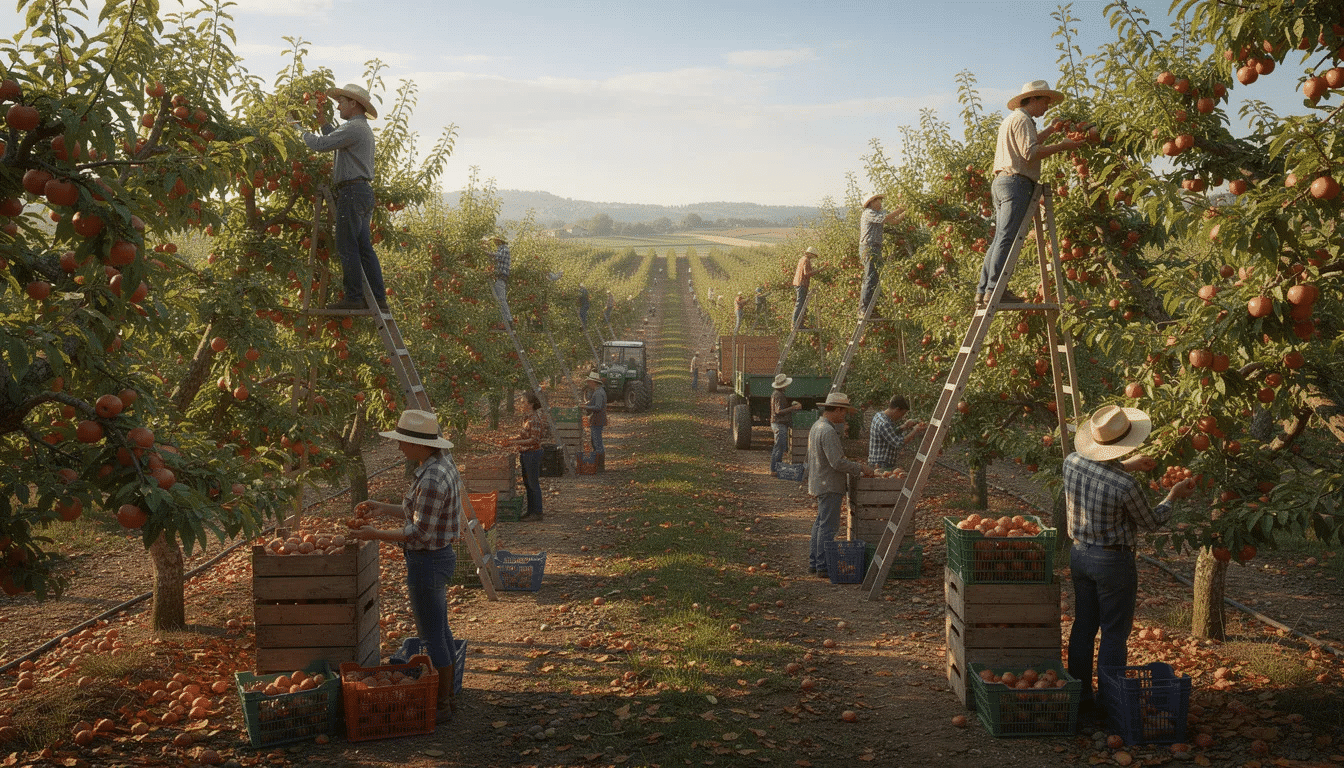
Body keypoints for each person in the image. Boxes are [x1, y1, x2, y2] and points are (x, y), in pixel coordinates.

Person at [1064, 404, 1195, 721]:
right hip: (1112, 563)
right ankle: (1109, 704)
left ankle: (1079, 699)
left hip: (1079, 554)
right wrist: (1172, 496)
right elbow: (1150, 522)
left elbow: (1098, 474)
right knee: (1113, 633)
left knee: (1083, 626)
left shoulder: (1071, 461)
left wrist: (1126, 465)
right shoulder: (1126, 486)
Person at [351, 409, 463, 722]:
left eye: (404, 442)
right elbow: (420, 516)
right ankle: (449, 697)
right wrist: (381, 508)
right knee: (440, 630)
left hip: (427, 562)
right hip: (438, 558)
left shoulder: (430, 479)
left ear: (419, 445)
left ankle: (441, 705)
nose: (400, 448)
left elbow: (419, 532)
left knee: (431, 636)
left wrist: (374, 534)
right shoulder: (441, 465)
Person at [975, 80, 1084, 308]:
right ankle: (996, 289)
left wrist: (1050, 130)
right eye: (1045, 101)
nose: (1047, 107)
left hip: (1002, 182)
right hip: (1016, 183)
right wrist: (1063, 146)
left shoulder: (1013, 120)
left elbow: (1026, 145)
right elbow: (1029, 153)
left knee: (999, 238)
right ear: (1033, 99)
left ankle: (984, 290)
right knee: (1007, 238)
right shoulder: (1023, 120)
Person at [294, 83, 387, 312]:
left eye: (342, 102)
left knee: (347, 246)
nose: (338, 107)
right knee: (364, 246)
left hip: (352, 192)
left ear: (354, 103)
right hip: (362, 192)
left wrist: (296, 128)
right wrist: (322, 119)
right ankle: (379, 299)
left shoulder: (354, 128)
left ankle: (354, 296)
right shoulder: (359, 128)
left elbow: (320, 144)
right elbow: (333, 137)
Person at [806, 392, 873, 577]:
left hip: (820, 480)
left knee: (820, 523)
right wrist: (861, 468)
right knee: (828, 527)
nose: (844, 416)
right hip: (829, 484)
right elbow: (836, 462)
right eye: (843, 412)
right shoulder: (827, 431)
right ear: (836, 409)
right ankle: (822, 566)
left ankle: (814, 562)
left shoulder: (817, 426)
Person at [859, 193, 905, 317]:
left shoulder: (877, 214)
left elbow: (895, 221)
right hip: (869, 248)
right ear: (871, 203)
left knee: (874, 278)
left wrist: (905, 212)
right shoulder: (869, 213)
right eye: (878, 201)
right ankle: (863, 310)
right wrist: (900, 209)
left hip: (875, 248)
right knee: (870, 277)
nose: (880, 203)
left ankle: (872, 308)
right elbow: (886, 218)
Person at [507, 392, 547, 520]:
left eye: (523, 402)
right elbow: (523, 436)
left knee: (533, 483)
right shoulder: (527, 418)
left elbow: (534, 440)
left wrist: (515, 442)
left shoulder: (534, 419)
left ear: (531, 405)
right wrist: (510, 440)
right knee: (527, 483)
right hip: (525, 453)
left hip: (532, 454)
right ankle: (531, 511)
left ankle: (538, 512)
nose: (521, 404)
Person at [868, 394, 927, 469]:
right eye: (902, 414)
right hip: (881, 465)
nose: (901, 417)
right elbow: (898, 443)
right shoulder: (885, 423)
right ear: (897, 409)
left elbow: (889, 434)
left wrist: (904, 426)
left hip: (878, 462)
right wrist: (915, 431)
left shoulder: (879, 415)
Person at [769, 373, 802, 475]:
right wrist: (793, 408)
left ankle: (775, 468)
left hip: (778, 423)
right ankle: (774, 469)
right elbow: (778, 411)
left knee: (779, 446)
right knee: (779, 447)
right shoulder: (778, 395)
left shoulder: (777, 394)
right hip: (779, 423)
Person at [483, 234, 512, 325]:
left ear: (499, 241)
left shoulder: (504, 249)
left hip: (501, 277)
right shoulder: (501, 249)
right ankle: (502, 320)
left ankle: (508, 319)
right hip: (499, 277)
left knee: (501, 299)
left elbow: (497, 257)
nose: (494, 243)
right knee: (498, 299)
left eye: (495, 241)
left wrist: (486, 253)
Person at [582, 371, 608, 471]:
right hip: (598, 419)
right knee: (595, 440)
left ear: (594, 382)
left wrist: (586, 406)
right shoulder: (599, 391)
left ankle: (600, 467)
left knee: (597, 442)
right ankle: (599, 465)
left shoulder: (598, 393)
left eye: (589, 382)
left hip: (598, 419)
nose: (588, 384)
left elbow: (597, 407)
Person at [793, 246, 820, 328]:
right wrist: (819, 270)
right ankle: (796, 324)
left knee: (800, 303)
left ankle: (798, 323)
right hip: (802, 283)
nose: (813, 258)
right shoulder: (806, 260)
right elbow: (807, 273)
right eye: (813, 256)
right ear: (811, 254)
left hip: (798, 283)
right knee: (800, 304)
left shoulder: (802, 259)